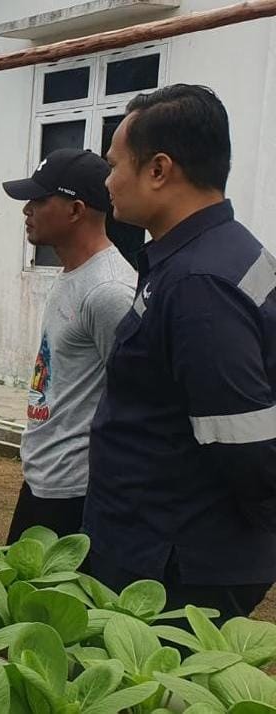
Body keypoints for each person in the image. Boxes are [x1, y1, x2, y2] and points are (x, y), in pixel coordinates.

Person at [87, 84, 276, 618]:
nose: (108, 181)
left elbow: (245, 444)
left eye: (114, 164)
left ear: (158, 169)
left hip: (177, 562)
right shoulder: (215, 252)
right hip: (172, 543)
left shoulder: (198, 282)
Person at [0, 148, 136, 543]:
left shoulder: (110, 291)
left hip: (76, 492)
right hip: (44, 477)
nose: (27, 209)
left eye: (39, 200)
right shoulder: (72, 274)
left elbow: (133, 398)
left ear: (76, 210)